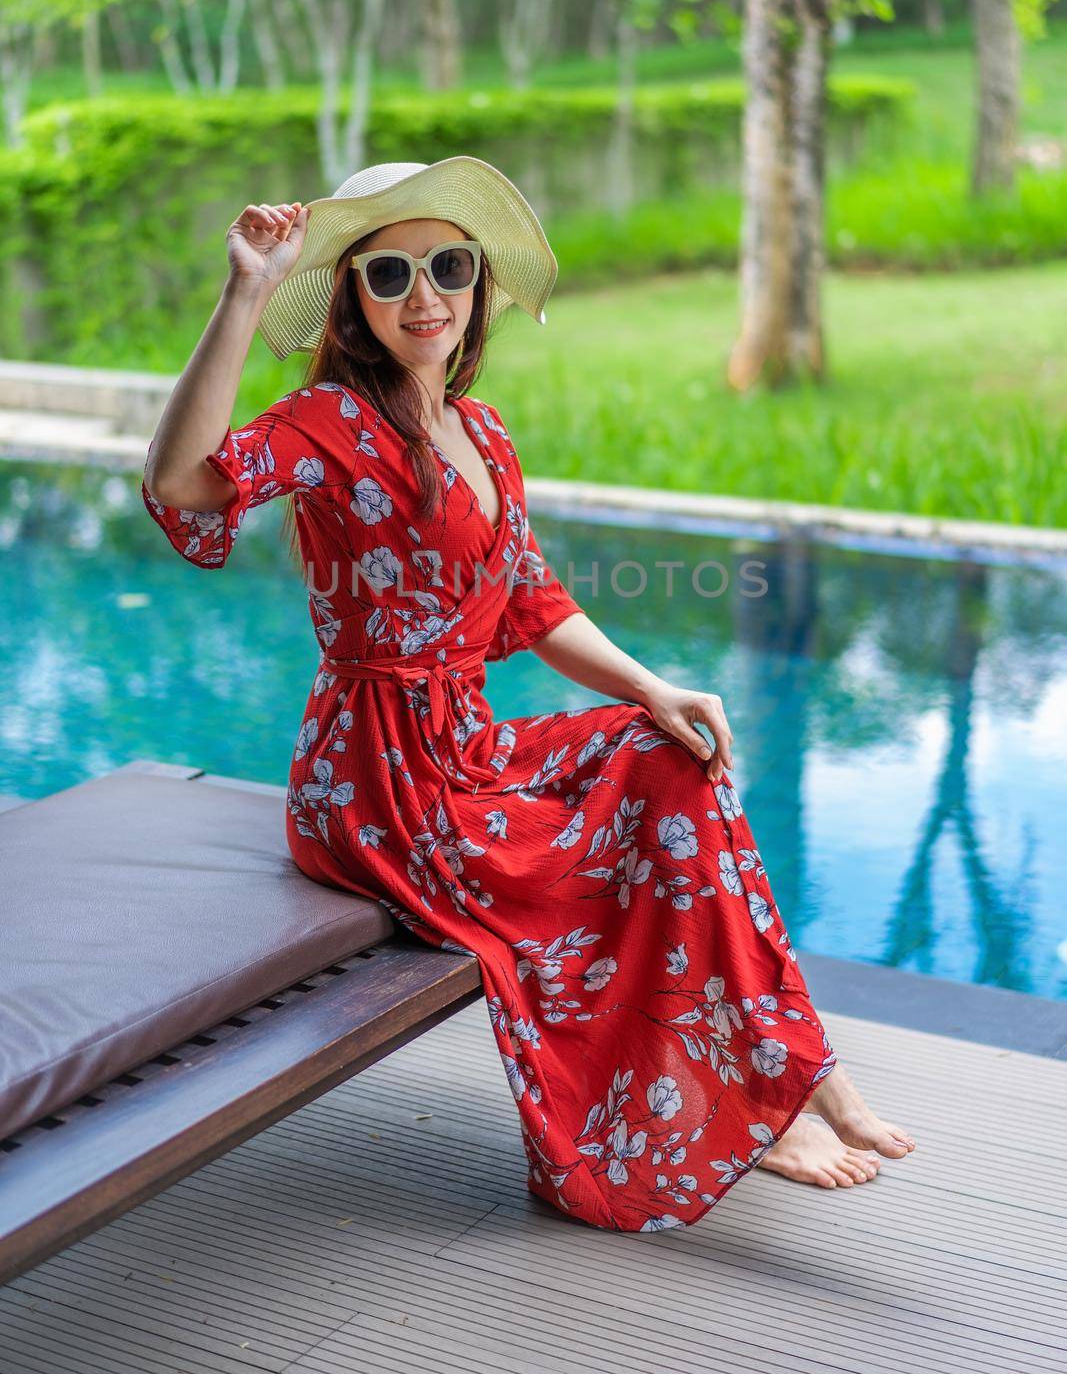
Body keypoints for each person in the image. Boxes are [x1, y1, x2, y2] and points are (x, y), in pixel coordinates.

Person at [141, 158, 916, 1234]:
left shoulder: (484, 432)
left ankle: (786, 1071)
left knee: (664, 756)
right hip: (377, 780)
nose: (424, 294)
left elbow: (535, 603)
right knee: (589, 864)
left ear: (478, 287)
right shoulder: (326, 421)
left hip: (467, 745)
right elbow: (182, 485)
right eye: (391, 273)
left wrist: (656, 685)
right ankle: (781, 1088)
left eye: (448, 266)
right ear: (357, 303)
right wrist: (243, 290)